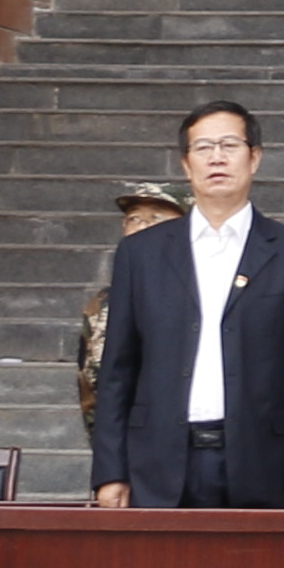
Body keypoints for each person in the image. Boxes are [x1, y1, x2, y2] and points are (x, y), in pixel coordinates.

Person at [89, 99, 284, 510]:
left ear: (254, 158)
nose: (216, 158)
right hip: (158, 462)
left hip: (263, 462)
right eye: (203, 148)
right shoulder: (141, 253)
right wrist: (111, 471)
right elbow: (117, 370)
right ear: (186, 165)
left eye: (229, 146)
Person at [74, 178, 179, 447]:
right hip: (132, 444)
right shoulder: (105, 302)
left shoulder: (211, 294)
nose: (143, 226)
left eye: (157, 217)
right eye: (134, 218)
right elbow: (91, 383)